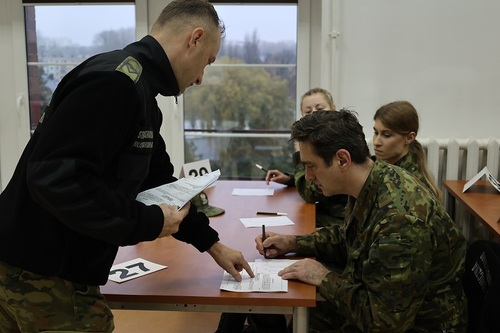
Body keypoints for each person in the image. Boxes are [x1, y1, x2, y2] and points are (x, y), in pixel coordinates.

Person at [0, 1, 254, 332]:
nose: (201, 78)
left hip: (32, 264)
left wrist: (211, 243)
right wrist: (146, 222)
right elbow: (54, 178)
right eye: (206, 62)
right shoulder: (115, 84)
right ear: (194, 38)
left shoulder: (139, 92)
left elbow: (159, 182)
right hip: (44, 272)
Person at [254, 109, 467, 332]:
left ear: (342, 160)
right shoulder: (374, 178)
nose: (307, 176)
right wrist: (293, 242)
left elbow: (384, 323)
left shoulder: (399, 223)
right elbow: (349, 237)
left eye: (311, 165)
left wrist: (324, 278)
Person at [264, 87, 347, 228]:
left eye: (319, 109)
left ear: (334, 109)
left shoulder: (338, 143)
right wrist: (290, 179)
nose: (314, 114)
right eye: (308, 112)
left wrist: (298, 154)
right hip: (326, 214)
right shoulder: (321, 141)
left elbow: (310, 194)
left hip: (338, 221)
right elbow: (318, 178)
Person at [373, 100, 443, 201]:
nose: (376, 142)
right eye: (375, 132)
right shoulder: (386, 168)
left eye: (387, 135)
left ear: (409, 138)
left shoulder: (409, 185)